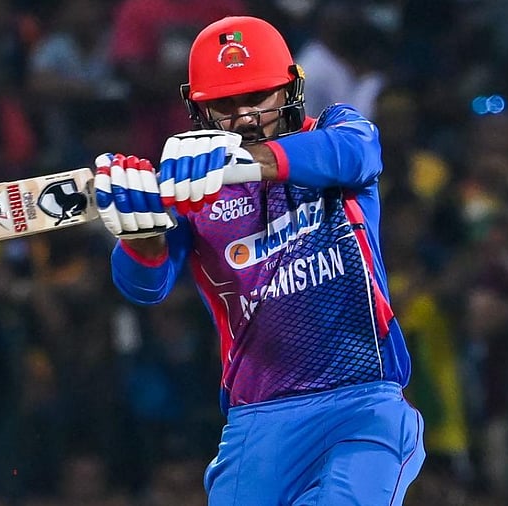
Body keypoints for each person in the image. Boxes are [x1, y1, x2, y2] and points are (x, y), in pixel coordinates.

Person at [93, 16, 425, 505]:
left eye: (258, 97)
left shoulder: (336, 131)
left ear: (291, 89)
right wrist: (141, 235)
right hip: (257, 423)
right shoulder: (190, 190)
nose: (246, 117)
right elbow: (145, 287)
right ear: (197, 107)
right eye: (225, 104)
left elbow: (357, 152)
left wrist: (241, 164)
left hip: (362, 405)